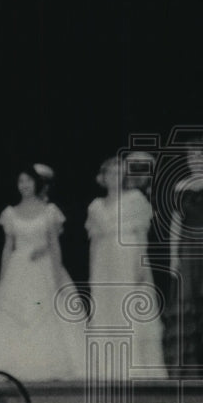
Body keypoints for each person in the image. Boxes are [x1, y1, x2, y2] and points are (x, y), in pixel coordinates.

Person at [0, 166, 87, 380]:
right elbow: (7, 247)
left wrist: (58, 277)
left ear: (36, 183)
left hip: (45, 268)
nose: (25, 185)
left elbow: (54, 244)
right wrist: (2, 279)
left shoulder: (49, 210)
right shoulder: (10, 213)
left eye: (28, 180)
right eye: (21, 181)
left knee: (46, 314)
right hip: (18, 268)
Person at [86, 156, 167, 378]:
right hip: (104, 260)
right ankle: (107, 366)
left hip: (127, 256)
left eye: (119, 172)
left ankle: (134, 364)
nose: (114, 177)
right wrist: (93, 271)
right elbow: (94, 240)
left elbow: (141, 235)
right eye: (110, 173)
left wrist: (141, 264)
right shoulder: (95, 206)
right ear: (103, 177)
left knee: (128, 307)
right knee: (106, 308)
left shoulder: (134, 199)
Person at [164, 134, 203, 377]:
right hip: (188, 250)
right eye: (191, 156)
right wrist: (172, 257)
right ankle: (190, 370)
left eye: (200, 155)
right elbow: (175, 224)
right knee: (187, 305)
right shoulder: (180, 186)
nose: (195, 160)